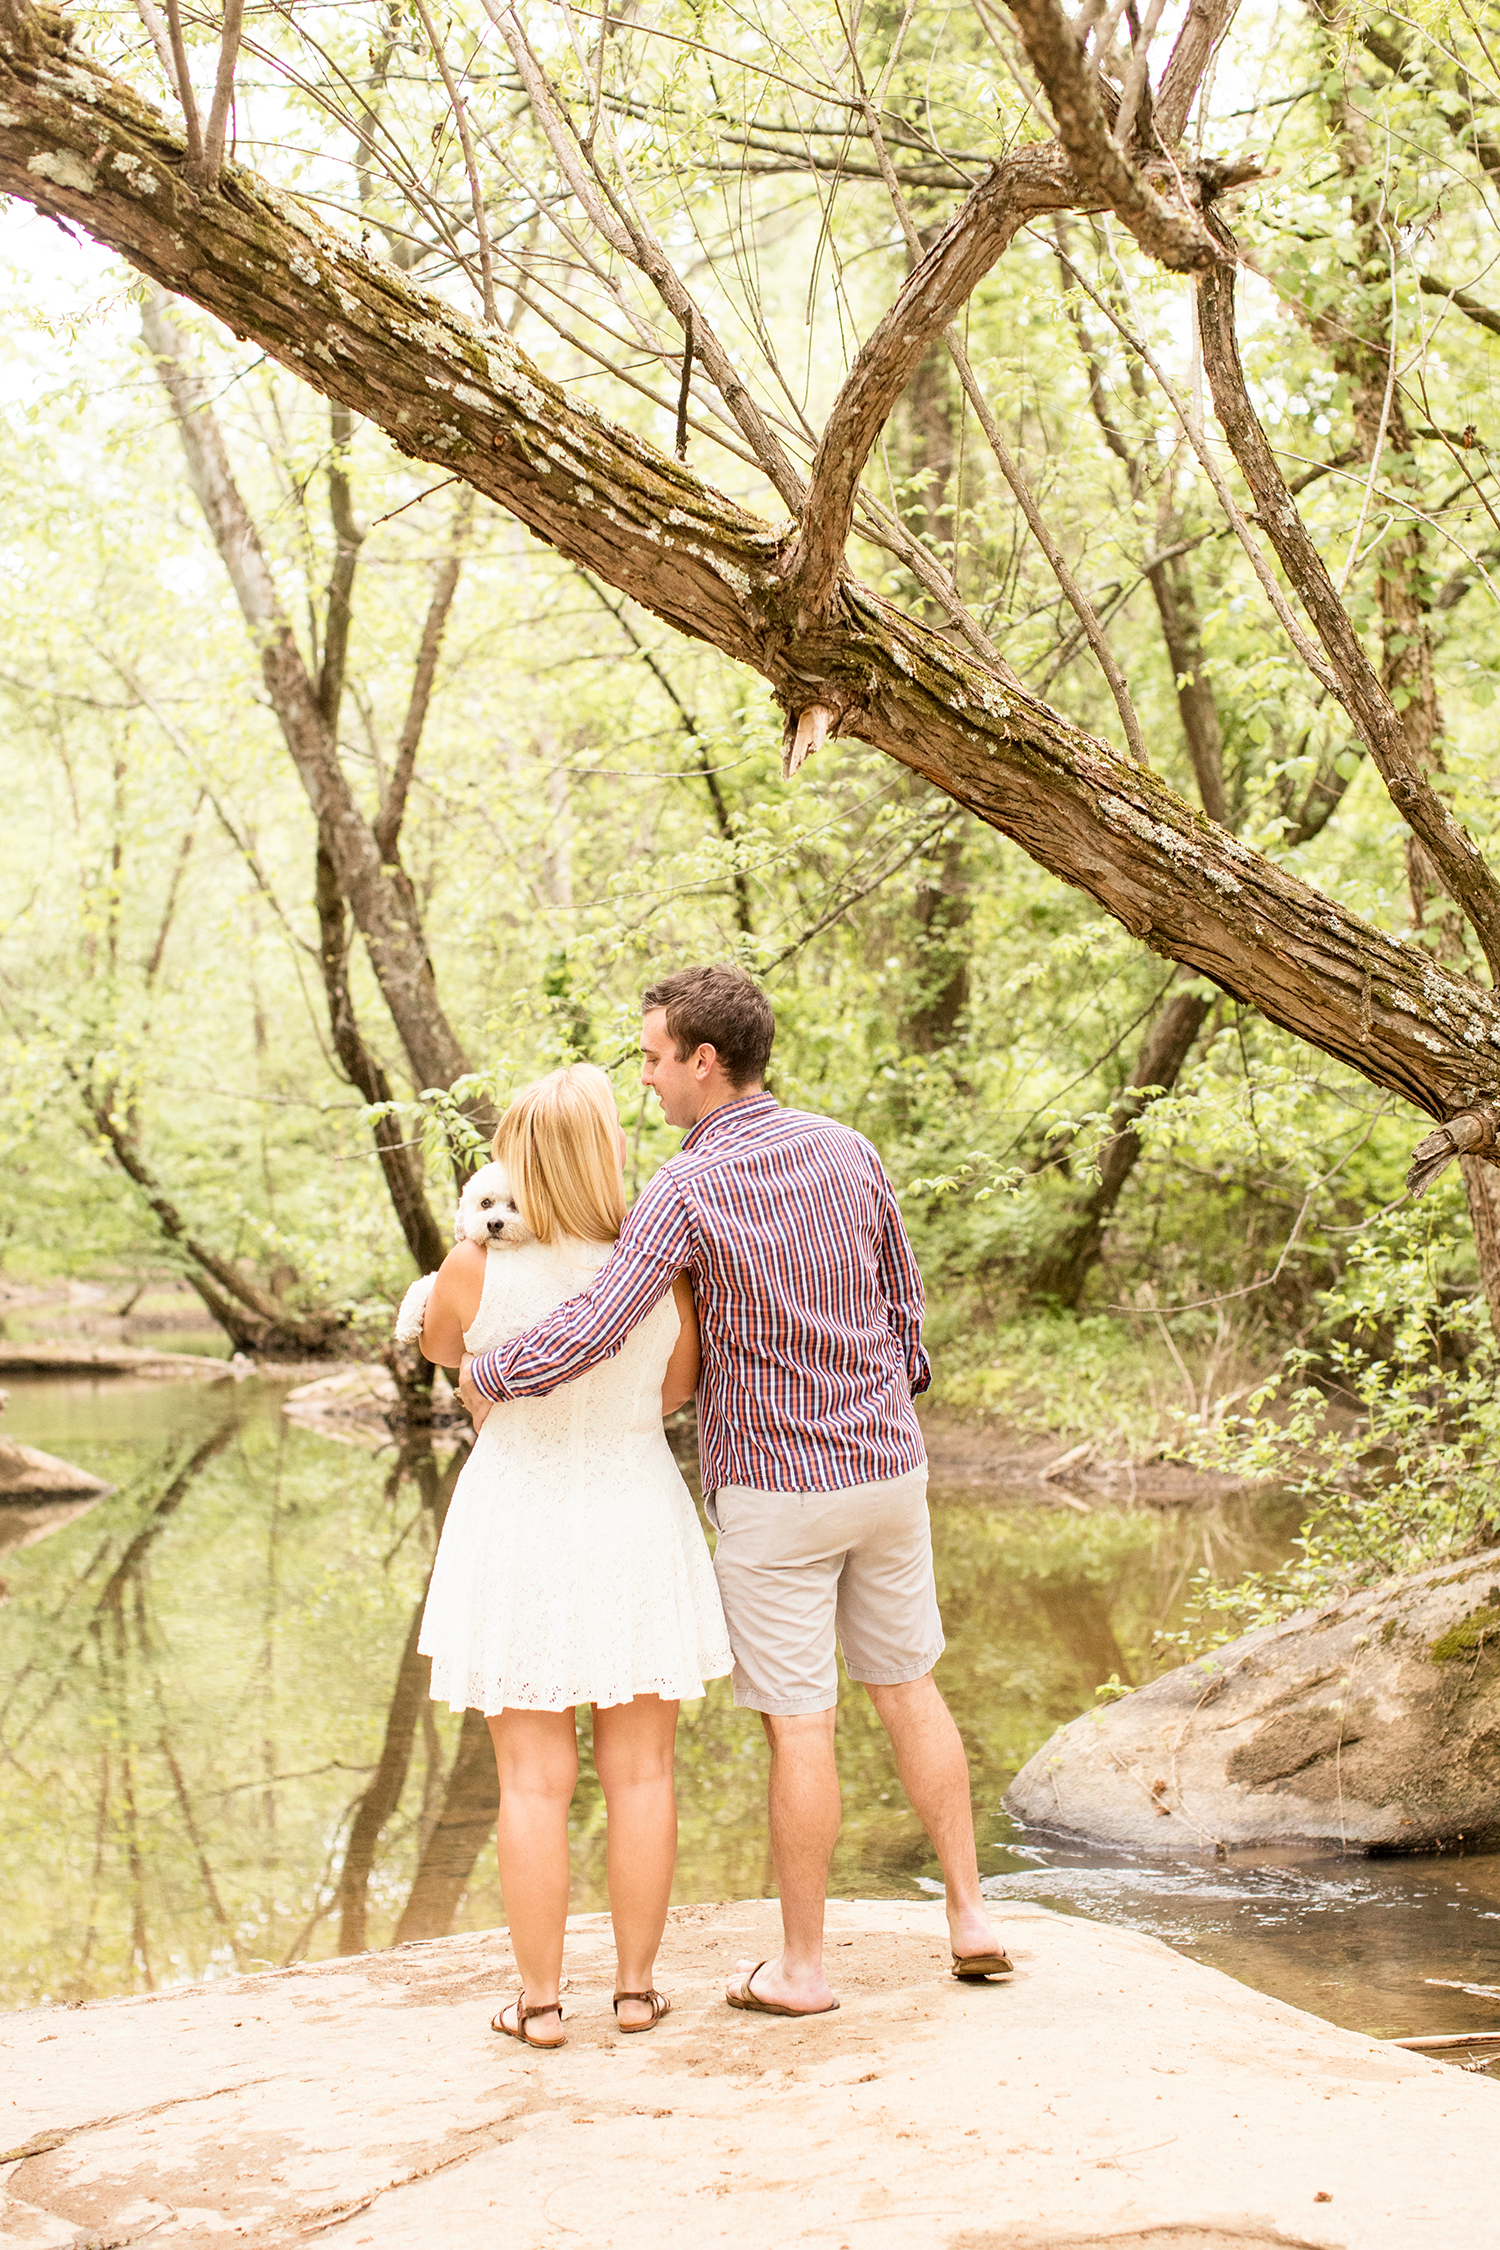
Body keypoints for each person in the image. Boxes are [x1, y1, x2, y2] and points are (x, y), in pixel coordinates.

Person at [461, 965, 1009, 2018]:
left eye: (655, 1059)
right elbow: (906, 1300)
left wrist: (489, 1372)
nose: (650, 1082)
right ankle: (972, 1918)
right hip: (891, 1469)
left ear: (703, 1061)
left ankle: (801, 1971)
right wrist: (891, 1398)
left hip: (775, 1489)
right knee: (909, 1686)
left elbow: (602, 1323)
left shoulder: (683, 1187)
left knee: (802, 1725)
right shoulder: (849, 1148)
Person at [417, 1062, 732, 2049]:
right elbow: (677, 1390)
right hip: (633, 1512)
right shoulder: (654, 1268)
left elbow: (442, 1352)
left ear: (518, 1154)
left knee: (530, 1783)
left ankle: (542, 2005)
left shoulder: (474, 1266)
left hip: (518, 1516)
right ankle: (635, 1995)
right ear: (604, 1152)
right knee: (642, 1774)